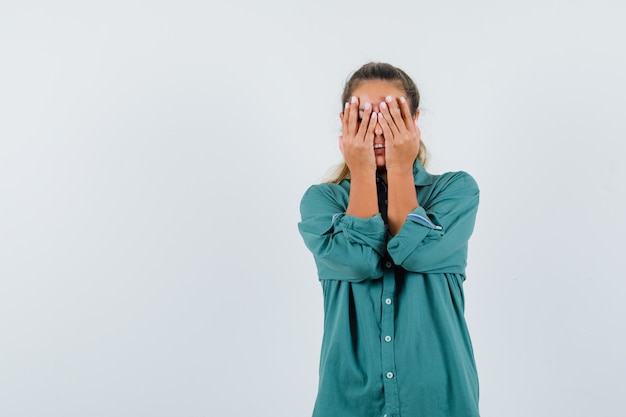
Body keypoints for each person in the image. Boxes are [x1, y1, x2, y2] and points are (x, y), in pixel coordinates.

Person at [298, 62, 481, 417]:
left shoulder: (456, 192)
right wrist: (363, 169)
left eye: (391, 115)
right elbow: (360, 260)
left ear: (414, 120)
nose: (377, 130)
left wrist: (399, 167)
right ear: (344, 123)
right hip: (348, 402)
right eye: (363, 117)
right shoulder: (322, 202)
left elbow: (416, 253)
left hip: (441, 401)